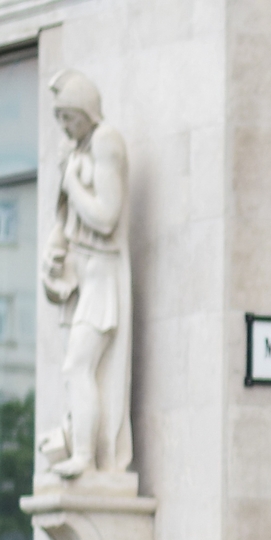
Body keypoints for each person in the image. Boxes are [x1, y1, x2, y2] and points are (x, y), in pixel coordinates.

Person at [36, 69, 130, 486]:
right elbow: (65, 219)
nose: (64, 128)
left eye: (68, 118)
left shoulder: (106, 141)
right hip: (79, 274)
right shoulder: (75, 150)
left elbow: (106, 217)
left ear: (86, 111)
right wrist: (52, 257)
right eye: (59, 120)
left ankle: (86, 458)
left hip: (102, 273)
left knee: (78, 366)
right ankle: (78, 450)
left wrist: (71, 179)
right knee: (73, 370)